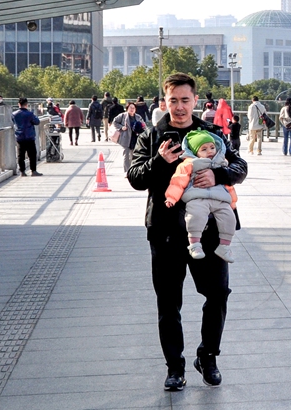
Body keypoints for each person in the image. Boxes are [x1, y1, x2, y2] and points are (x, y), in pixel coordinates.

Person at [128, 73, 247, 391]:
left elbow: (240, 166)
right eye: (173, 100)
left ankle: (208, 356)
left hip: (209, 232)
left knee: (218, 294)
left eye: (185, 100)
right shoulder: (151, 137)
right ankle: (174, 368)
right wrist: (158, 162)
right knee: (168, 303)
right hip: (166, 232)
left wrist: (219, 175)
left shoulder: (212, 134)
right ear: (164, 101)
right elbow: (135, 177)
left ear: (195, 100)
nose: (179, 107)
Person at [163, 130, 236, 263]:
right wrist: (171, 197)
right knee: (195, 216)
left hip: (220, 198)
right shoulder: (189, 164)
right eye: (204, 149)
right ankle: (194, 244)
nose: (210, 151)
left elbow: (228, 185)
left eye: (212, 147)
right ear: (194, 152)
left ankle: (224, 247)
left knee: (229, 218)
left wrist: (233, 201)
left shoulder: (221, 162)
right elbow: (178, 182)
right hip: (197, 197)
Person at [111, 102, 147, 174]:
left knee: (134, 155)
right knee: (126, 156)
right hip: (126, 138)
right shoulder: (123, 116)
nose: (132, 109)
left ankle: (133, 171)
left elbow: (144, 126)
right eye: (130, 108)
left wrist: (141, 129)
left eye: (133, 108)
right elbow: (114, 122)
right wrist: (121, 127)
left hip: (135, 138)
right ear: (127, 108)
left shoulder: (138, 117)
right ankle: (127, 172)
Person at [11, 98, 41, 177]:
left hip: (20, 137)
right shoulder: (30, 114)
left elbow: (13, 122)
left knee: (21, 155)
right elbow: (37, 122)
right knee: (32, 155)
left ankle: (22, 171)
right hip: (29, 137)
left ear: (19, 104)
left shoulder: (14, 114)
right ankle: (33, 171)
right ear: (26, 104)